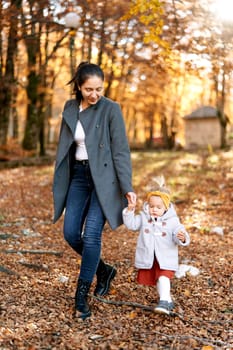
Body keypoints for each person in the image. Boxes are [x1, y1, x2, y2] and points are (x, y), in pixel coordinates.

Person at [53, 62, 136, 320]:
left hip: (105, 179)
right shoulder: (69, 108)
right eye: (89, 89)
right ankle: (104, 270)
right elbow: (64, 147)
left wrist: (127, 187)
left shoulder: (111, 109)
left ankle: (81, 296)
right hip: (78, 176)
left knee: (91, 236)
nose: (94, 94)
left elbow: (121, 151)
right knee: (70, 233)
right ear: (79, 86)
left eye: (99, 89)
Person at [122, 176, 190, 315]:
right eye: (152, 206)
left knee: (164, 277)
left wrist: (182, 237)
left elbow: (179, 231)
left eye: (158, 207)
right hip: (150, 256)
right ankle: (167, 301)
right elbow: (132, 225)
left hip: (166, 256)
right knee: (159, 279)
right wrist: (130, 211)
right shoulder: (144, 217)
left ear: (166, 207)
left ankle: (164, 302)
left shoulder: (172, 220)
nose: (154, 209)